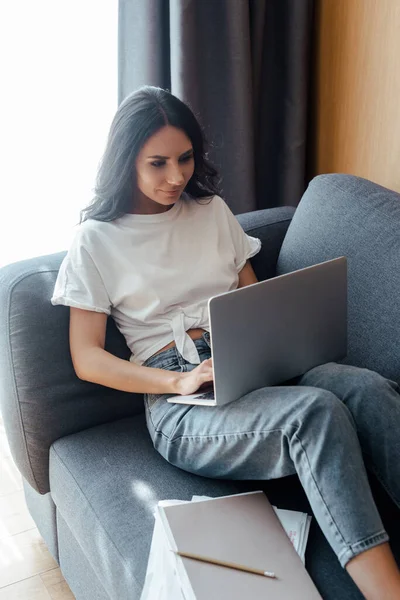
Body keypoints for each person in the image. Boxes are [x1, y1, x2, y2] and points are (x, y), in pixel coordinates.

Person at [51, 86, 400, 599]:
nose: (176, 177)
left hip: (253, 361)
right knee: (315, 414)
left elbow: (253, 295)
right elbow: (87, 358)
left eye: (185, 158)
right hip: (181, 398)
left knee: (365, 389)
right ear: (126, 162)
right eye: (157, 163)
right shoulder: (96, 240)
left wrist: (287, 339)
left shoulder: (211, 210)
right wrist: (180, 378)